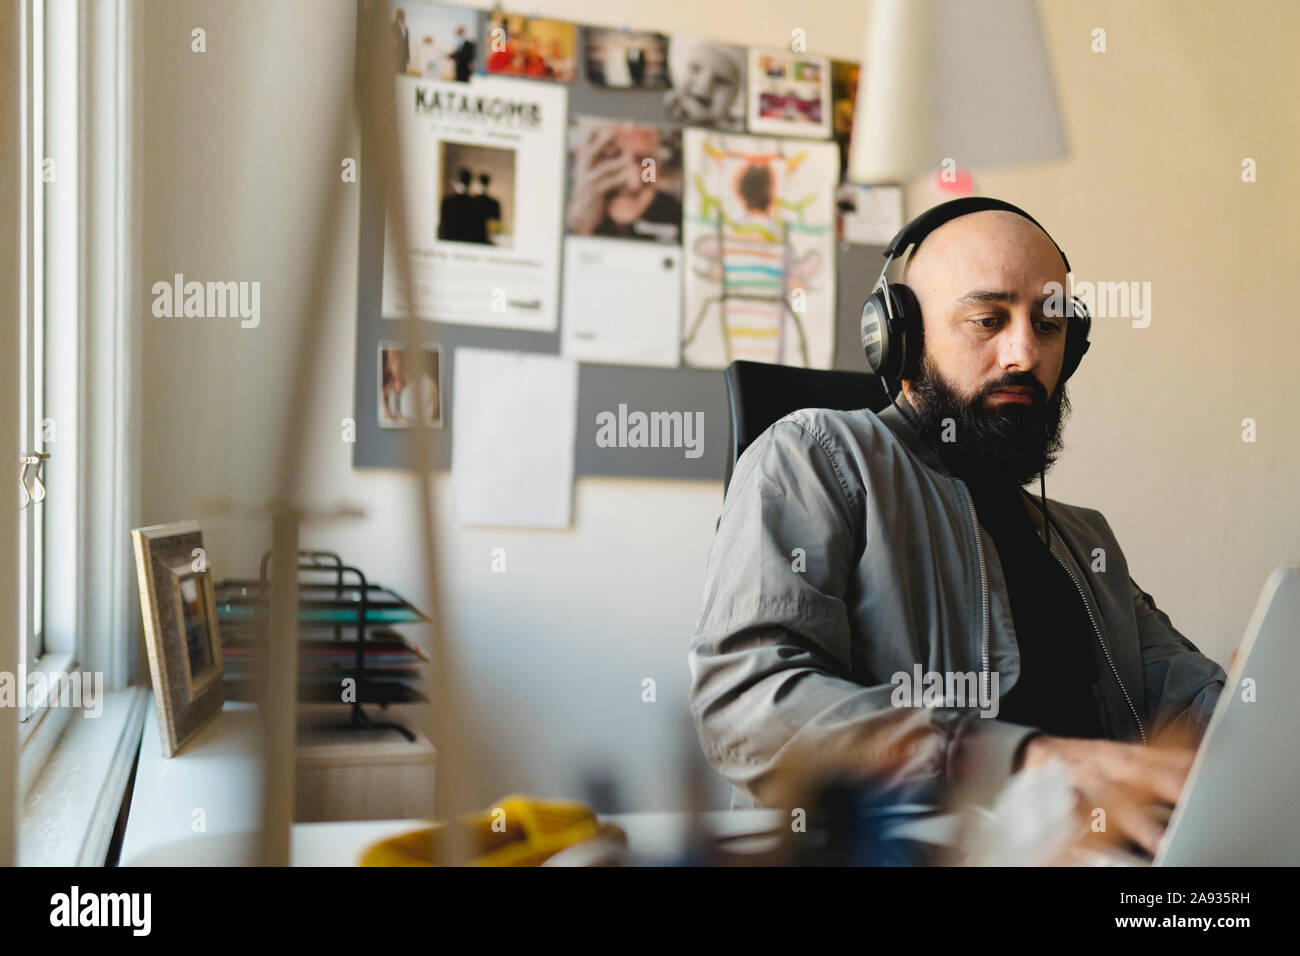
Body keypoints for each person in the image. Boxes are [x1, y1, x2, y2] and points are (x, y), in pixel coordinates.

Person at [689, 200, 1226, 858]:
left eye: (1049, 323)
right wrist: (1018, 758)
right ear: (900, 339)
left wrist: (1256, 707)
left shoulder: (1086, 540)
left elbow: (1192, 699)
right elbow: (751, 702)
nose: (1024, 353)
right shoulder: (814, 456)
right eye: (986, 319)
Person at [565, 123, 681, 243]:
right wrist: (579, 226)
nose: (633, 180)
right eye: (611, 157)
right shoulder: (560, 209)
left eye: (644, 160)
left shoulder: (676, 214)